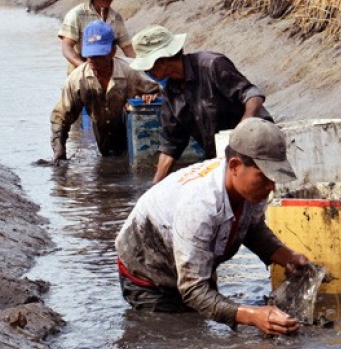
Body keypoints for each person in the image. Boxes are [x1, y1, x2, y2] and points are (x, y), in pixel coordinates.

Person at [115, 117, 307, 335]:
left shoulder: (252, 188)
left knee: (205, 318)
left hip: (187, 263)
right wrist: (253, 316)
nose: (271, 186)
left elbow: (251, 228)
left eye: (274, 178)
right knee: (181, 334)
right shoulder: (199, 206)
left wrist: (285, 256)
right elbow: (193, 290)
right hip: (149, 274)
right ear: (234, 166)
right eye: (264, 177)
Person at [128, 25, 271, 183]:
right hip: (222, 158)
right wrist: (155, 188)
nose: (146, 72)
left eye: (147, 66)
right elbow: (172, 144)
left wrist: (244, 127)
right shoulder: (170, 92)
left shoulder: (212, 65)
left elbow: (252, 95)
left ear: (162, 61)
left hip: (259, 148)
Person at [51, 21, 159, 161]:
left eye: (98, 55)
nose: (92, 60)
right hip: (103, 137)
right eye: (89, 55)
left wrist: (150, 97)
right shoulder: (77, 80)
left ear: (112, 51)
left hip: (133, 135)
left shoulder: (131, 71)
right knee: (108, 162)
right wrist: (59, 153)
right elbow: (60, 118)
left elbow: (161, 93)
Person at [58, 0, 136, 73]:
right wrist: (83, 68)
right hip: (80, 72)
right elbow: (66, 47)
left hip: (106, 72)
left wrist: (140, 68)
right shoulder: (77, 15)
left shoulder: (116, 18)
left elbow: (127, 47)